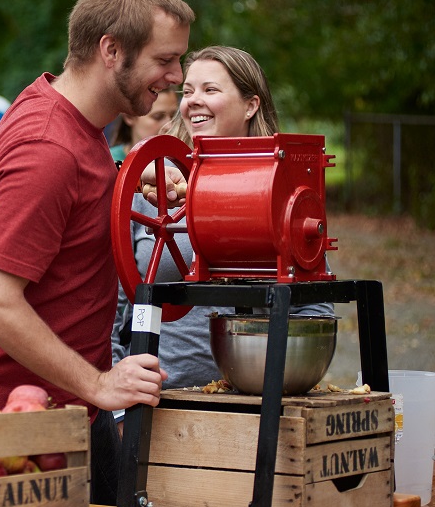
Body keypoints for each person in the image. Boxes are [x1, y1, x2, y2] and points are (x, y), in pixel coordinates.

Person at [0, 0, 194, 506]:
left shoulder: (67, 119)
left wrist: (124, 180)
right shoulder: (49, 148)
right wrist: (98, 384)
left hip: (63, 407)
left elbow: (64, 212)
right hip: (5, 423)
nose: (177, 75)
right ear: (112, 50)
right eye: (164, 60)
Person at [112, 45, 334, 388]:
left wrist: (278, 382)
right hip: (156, 396)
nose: (192, 101)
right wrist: (118, 404)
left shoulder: (280, 190)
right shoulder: (154, 182)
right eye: (188, 91)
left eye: (210, 90)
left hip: (250, 401)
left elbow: (314, 307)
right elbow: (114, 300)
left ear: (251, 104)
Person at [108, 86, 178, 161]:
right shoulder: (108, 161)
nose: (169, 126)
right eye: (158, 117)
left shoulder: (182, 159)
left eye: (174, 116)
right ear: (130, 117)